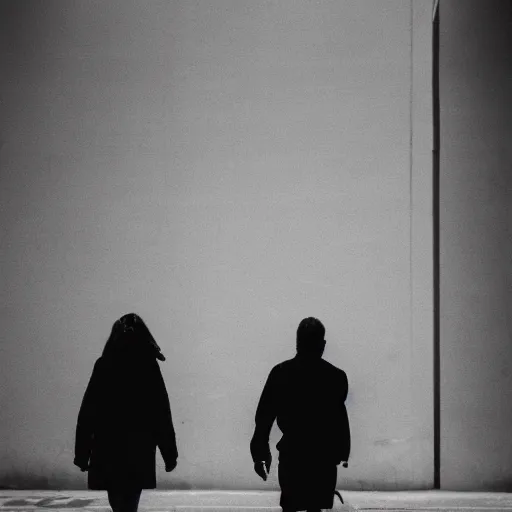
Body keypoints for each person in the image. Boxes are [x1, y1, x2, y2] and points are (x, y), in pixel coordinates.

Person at [74, 313, 178, 512]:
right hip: (139, 445)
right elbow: (161, 413)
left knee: (116, 496)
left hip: (108, 444)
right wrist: (169, 454)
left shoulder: (104, 364)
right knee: (131, 497)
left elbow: (88, 412)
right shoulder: (148, 365)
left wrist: (82, 453)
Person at [250, 317, 350, 512]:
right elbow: (339, 419)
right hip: (323, 458)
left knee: (291, 506)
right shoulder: (336, 377)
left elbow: (264, 418)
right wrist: (342, 453)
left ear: (297, 343)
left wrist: (260, 454)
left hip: (292, 455)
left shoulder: (280, 373)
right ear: (322, 344)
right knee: (316, 507)